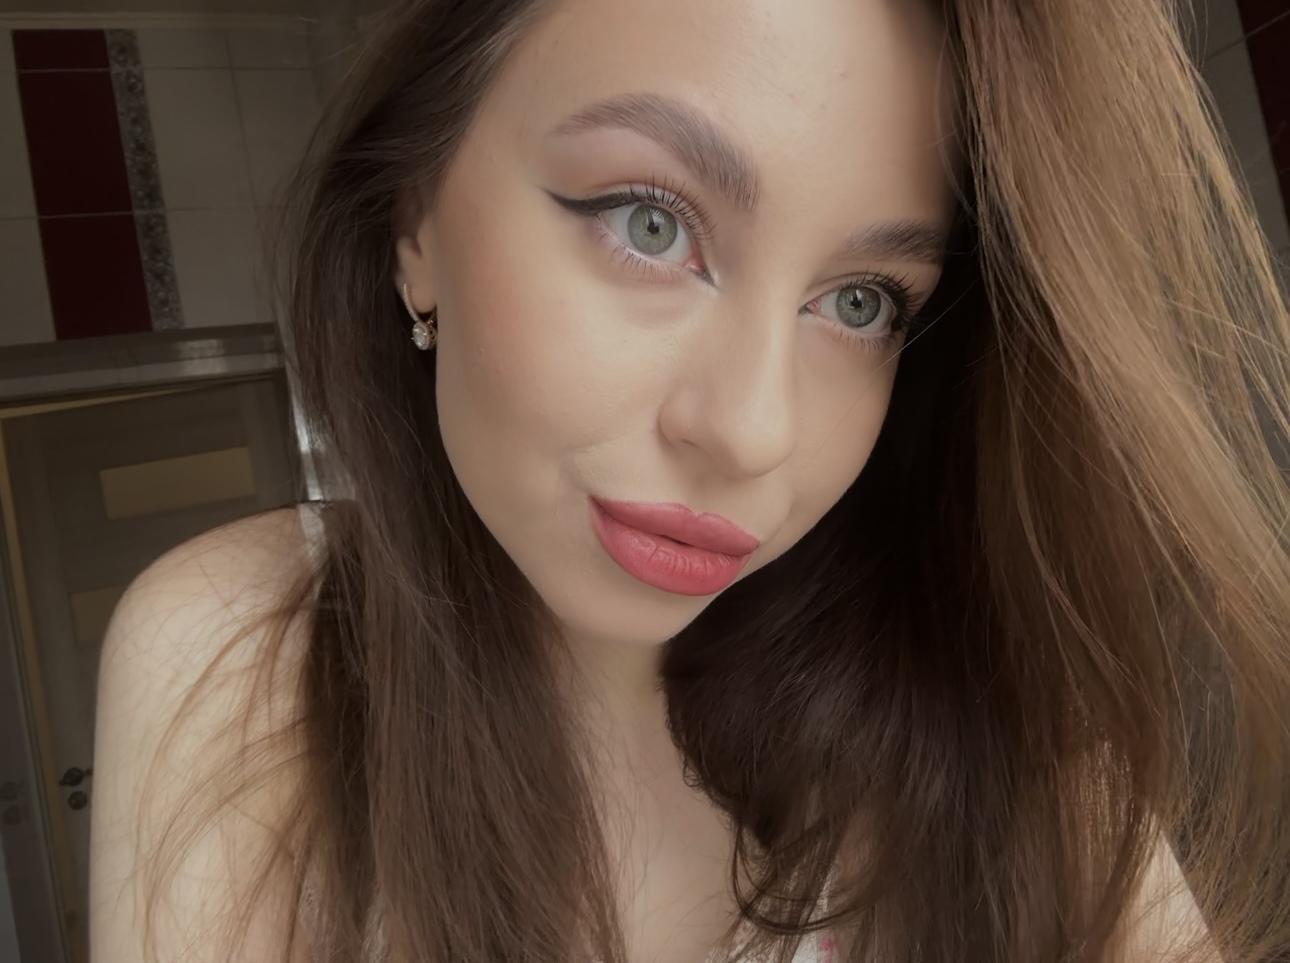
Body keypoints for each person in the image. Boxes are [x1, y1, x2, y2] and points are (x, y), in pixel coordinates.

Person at [88, 0, 1290, 959]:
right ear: (416, 224)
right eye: (649, 223)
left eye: (860, 303)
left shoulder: (1000, 741)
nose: (755, 431)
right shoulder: (257, 654)